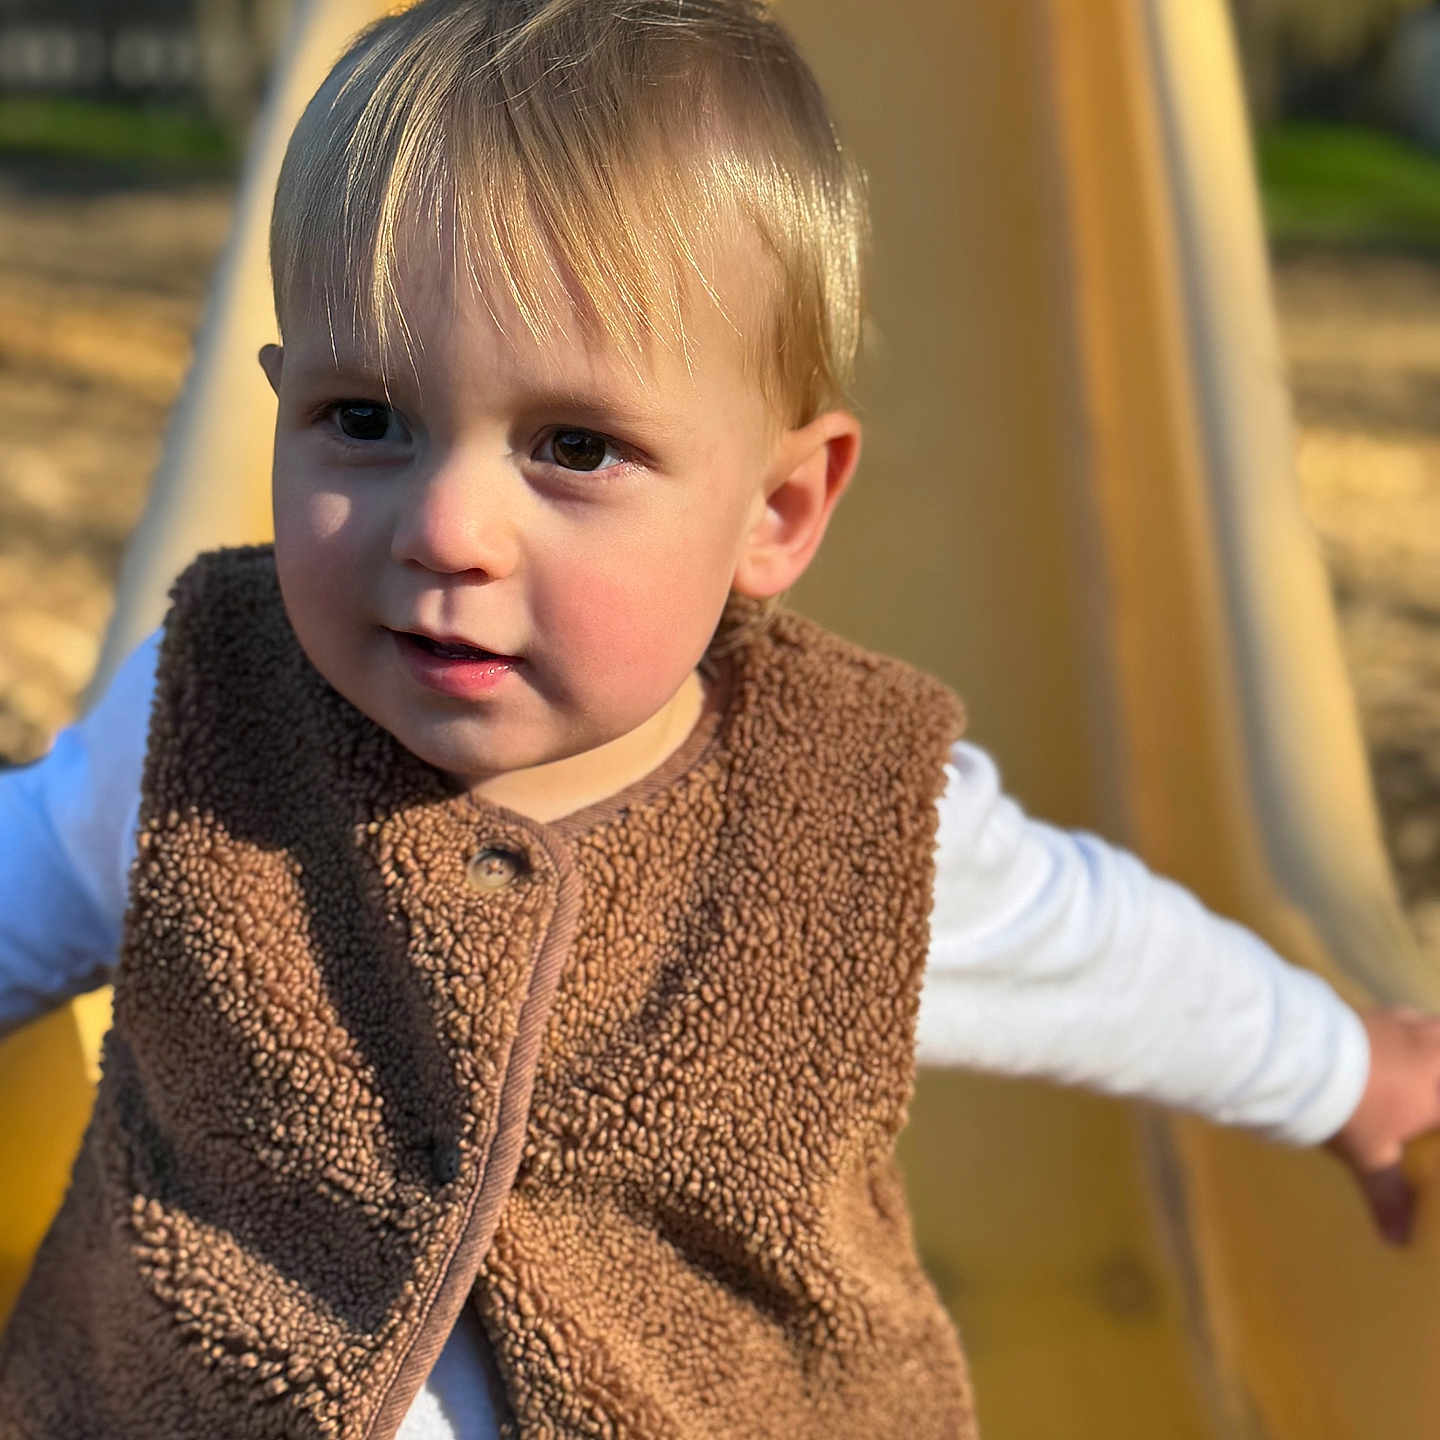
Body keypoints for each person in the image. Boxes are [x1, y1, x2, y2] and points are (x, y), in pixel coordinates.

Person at [2, 1, 1439, 1435]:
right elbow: (21, 891)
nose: (444, 527)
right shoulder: (205, 718)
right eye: (364, 419)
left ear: (778, 509)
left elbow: (1114, 962)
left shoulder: (847, 814)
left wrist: (1344, 1073)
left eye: (574, 447)